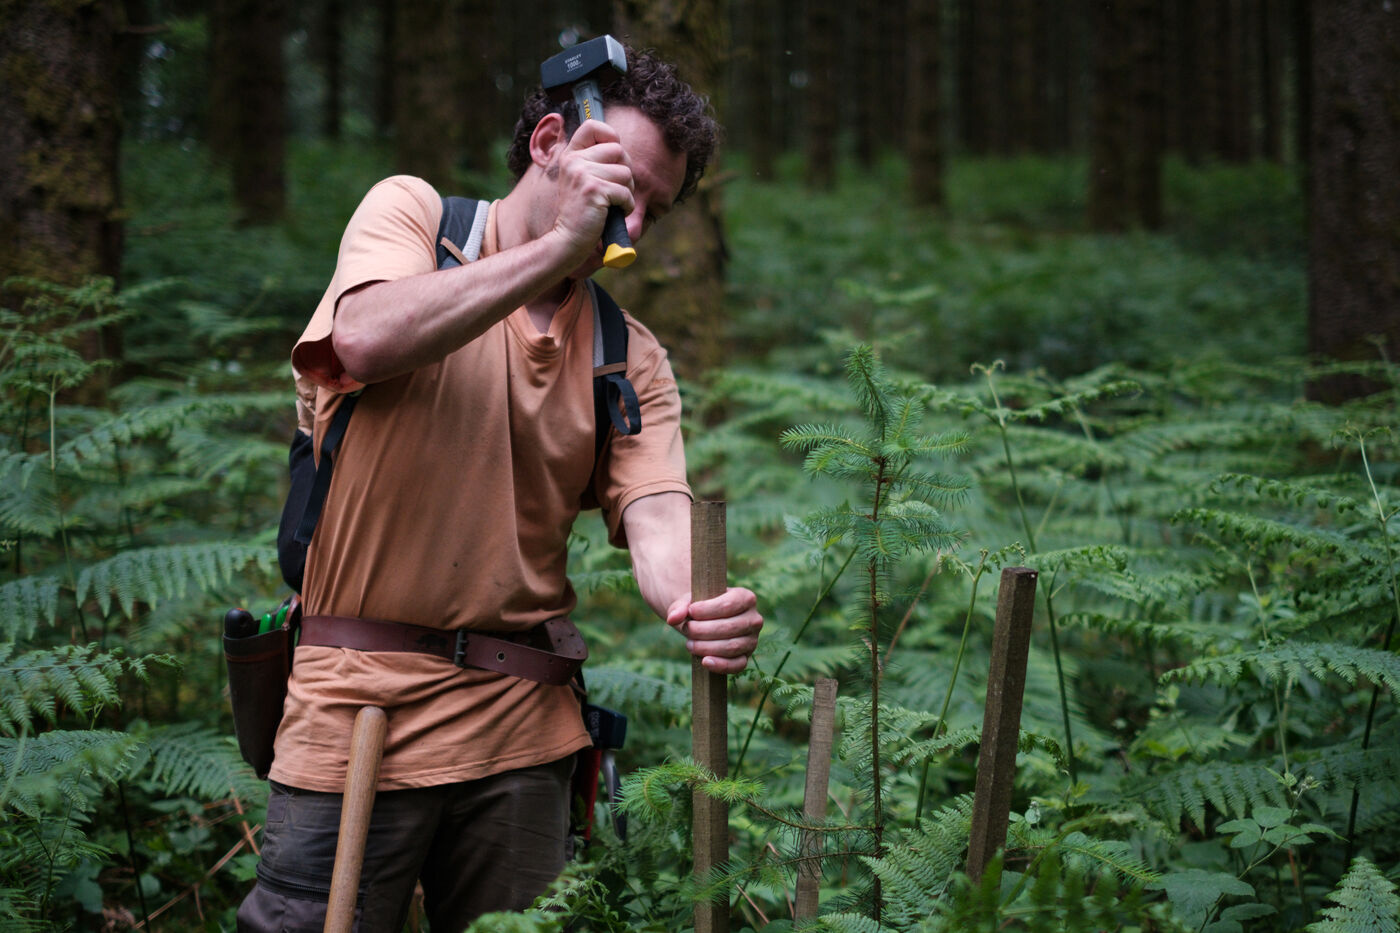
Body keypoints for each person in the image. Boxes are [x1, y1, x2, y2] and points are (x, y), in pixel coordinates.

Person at [236, 46, 763, 932]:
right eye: (622, 186)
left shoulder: (627, 353)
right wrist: (556, 247)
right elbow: (361, 339)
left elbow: (656, 514)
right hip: (351, 710)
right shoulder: (411, 216)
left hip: (524, 734)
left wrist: (698, 603)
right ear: (551, 142)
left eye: (654, 209)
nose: (632, 225)